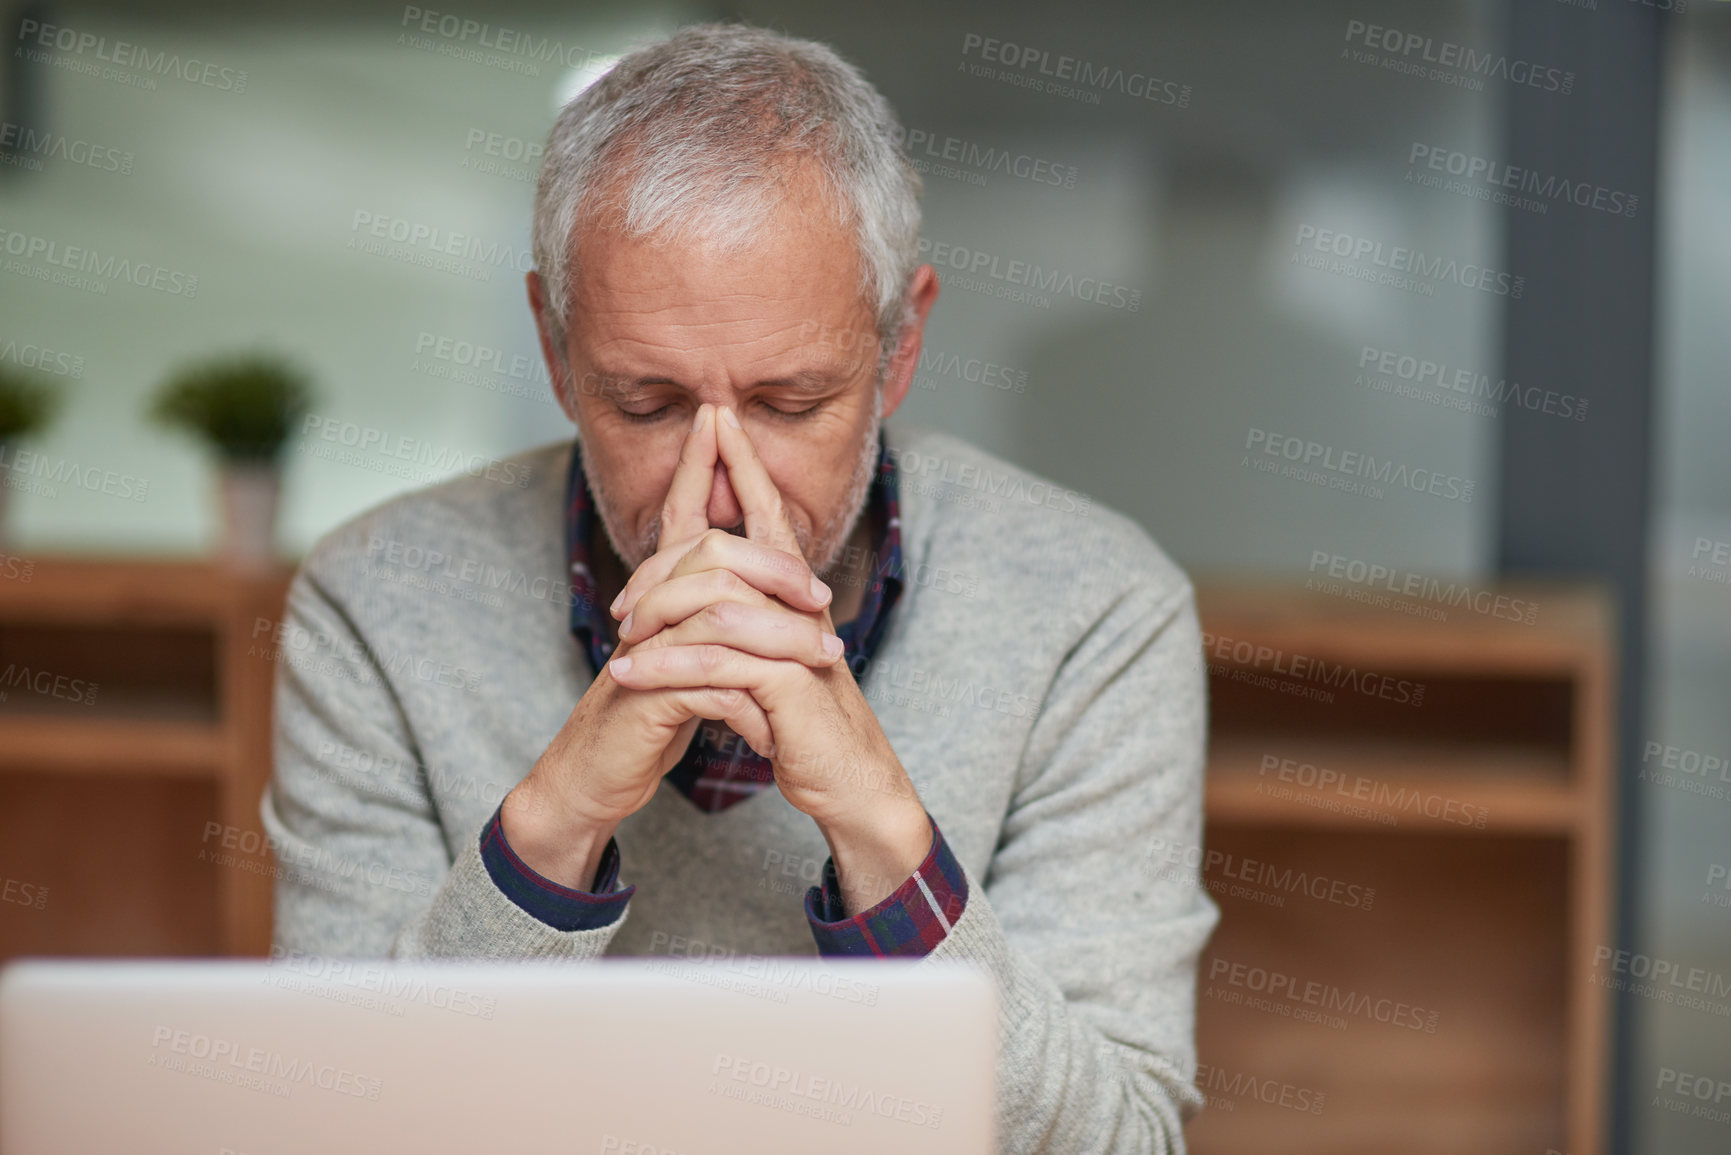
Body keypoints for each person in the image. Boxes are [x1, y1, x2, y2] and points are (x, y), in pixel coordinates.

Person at [261, 21, 1217, 1151]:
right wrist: (561, 813)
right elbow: (331, 1125)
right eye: (648, 405)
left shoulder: (1097, 613)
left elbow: (1116, 1143)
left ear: (900, 348)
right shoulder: (375, 605)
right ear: (556, 351)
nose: (720, 490)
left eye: (791, 403)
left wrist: (877, 824)